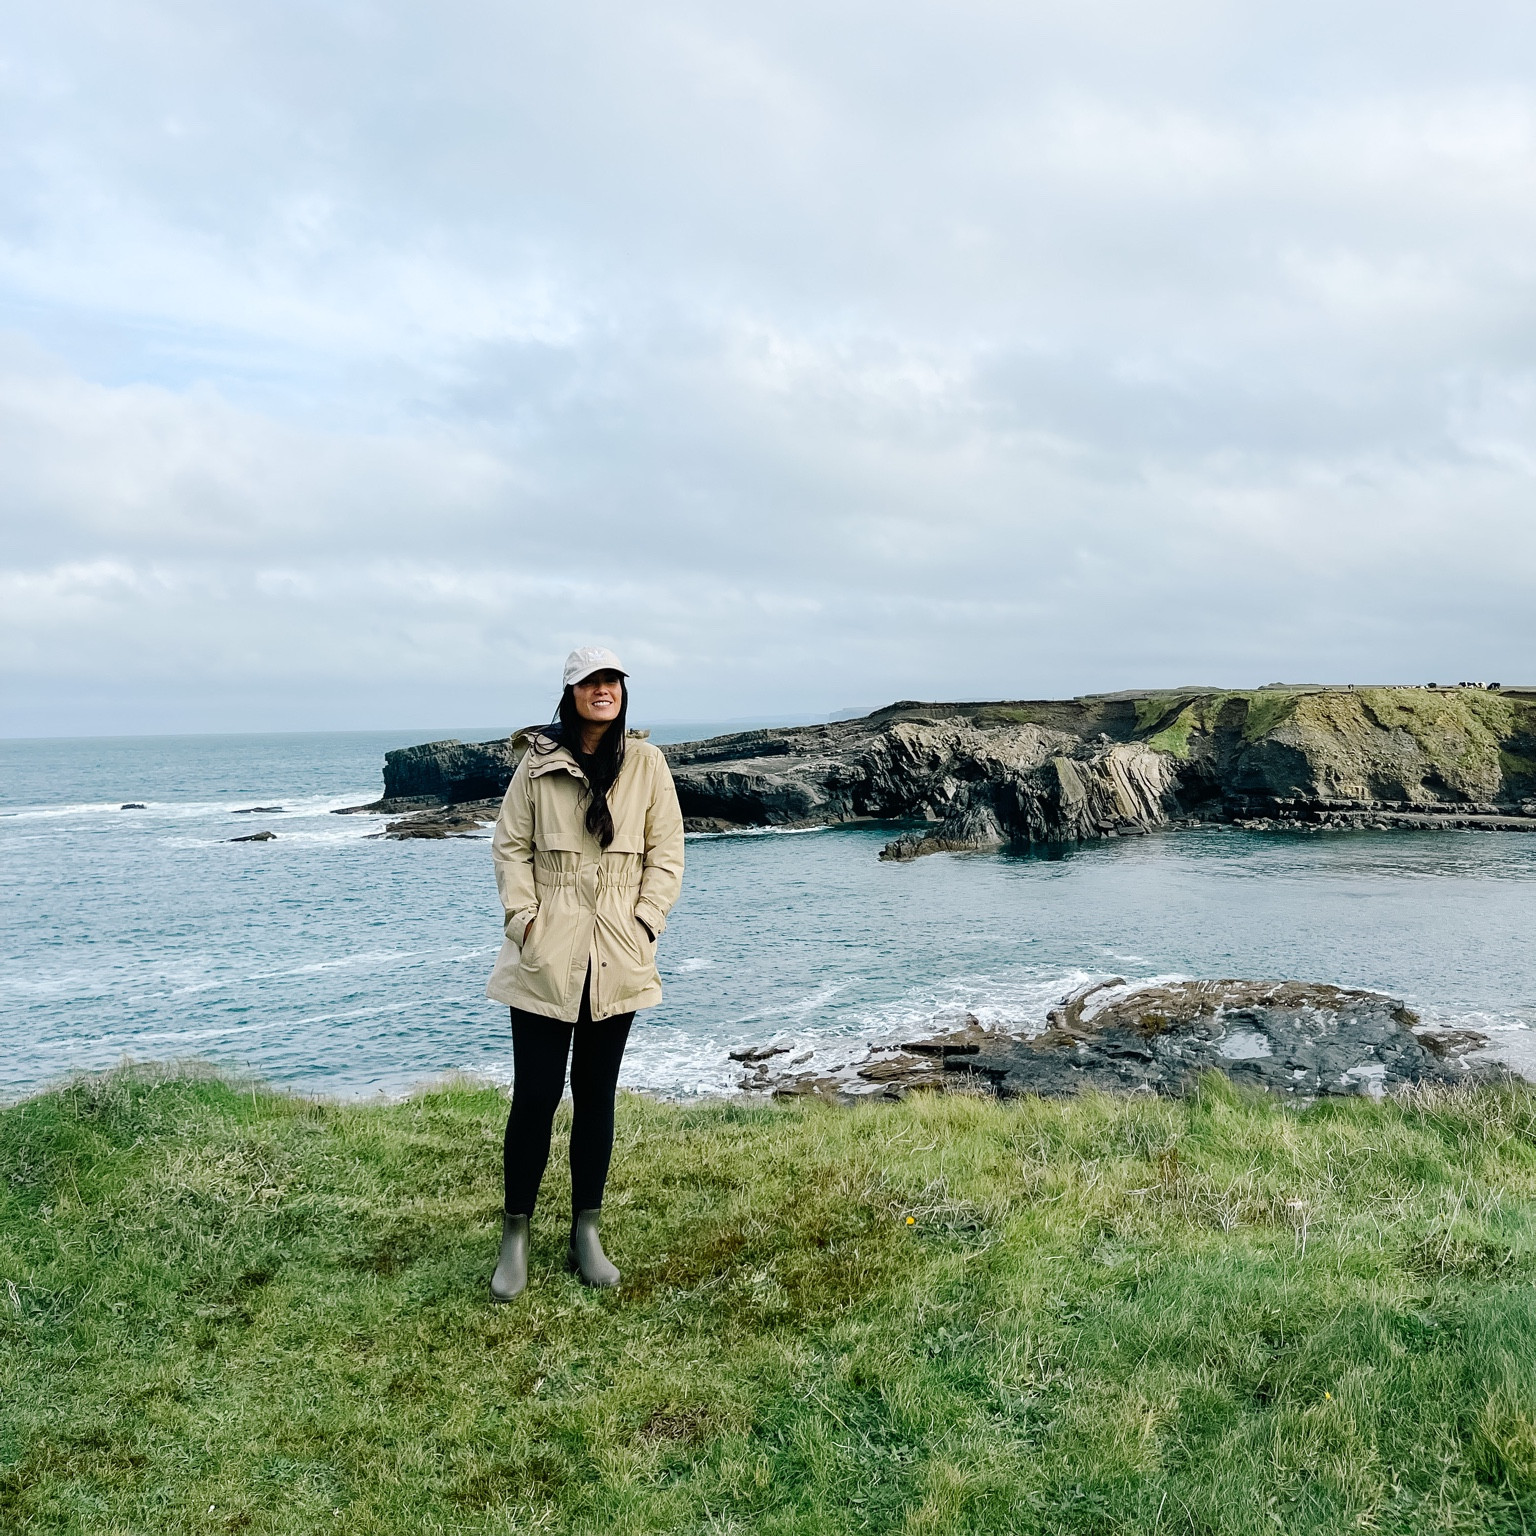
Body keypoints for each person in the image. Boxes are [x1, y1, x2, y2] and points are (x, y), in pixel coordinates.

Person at [485, 646, 684, 1300]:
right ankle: (515, 1237)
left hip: (618, 951)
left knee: (596, 1096)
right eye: (590, 681)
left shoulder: (649, 764)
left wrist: (645, 921)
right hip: (545, 952)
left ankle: (585, 1233)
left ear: (623, 691)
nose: (603, 689)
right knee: (536, 1098)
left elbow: (667, 853)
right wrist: (525, 921)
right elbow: (511, 847)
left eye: (612, 680)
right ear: (570, 693)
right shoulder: (536, 767)